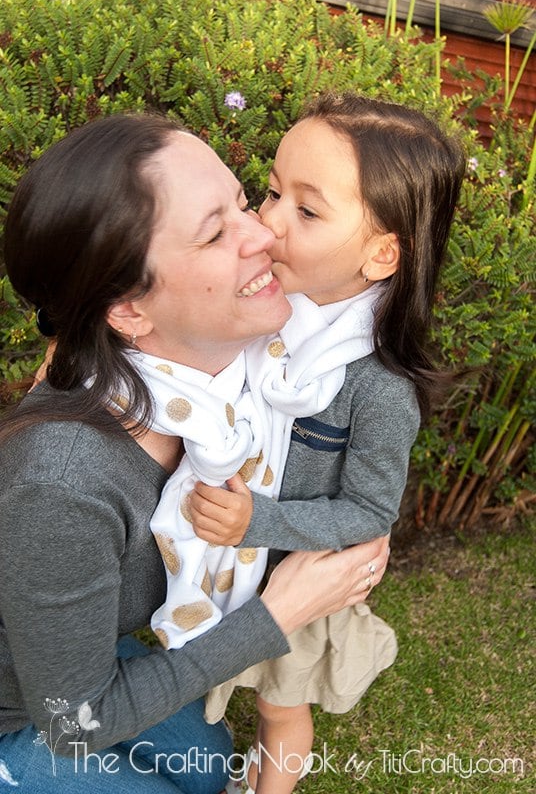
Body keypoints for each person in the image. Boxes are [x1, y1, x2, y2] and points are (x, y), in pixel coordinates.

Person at [0, 112, 391, 794]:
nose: (265, 233)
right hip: (26, 713)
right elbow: (73, 725)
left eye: (244, 201)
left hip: (74, 659)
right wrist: (279, 616)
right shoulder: (64, 481)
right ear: (127, 311)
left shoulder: (241, 371)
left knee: (207, 763)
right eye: (216, 233)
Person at [190, 93, 466, 793]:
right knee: (208, 692)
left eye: (306, 211)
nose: (268, 219)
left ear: (380, 255)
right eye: (274, 191)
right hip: (219, 565)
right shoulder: (263, 310)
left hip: (299, 581)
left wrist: (261, 521)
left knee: (280, 711)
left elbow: (369, 516)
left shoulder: (376, 388)